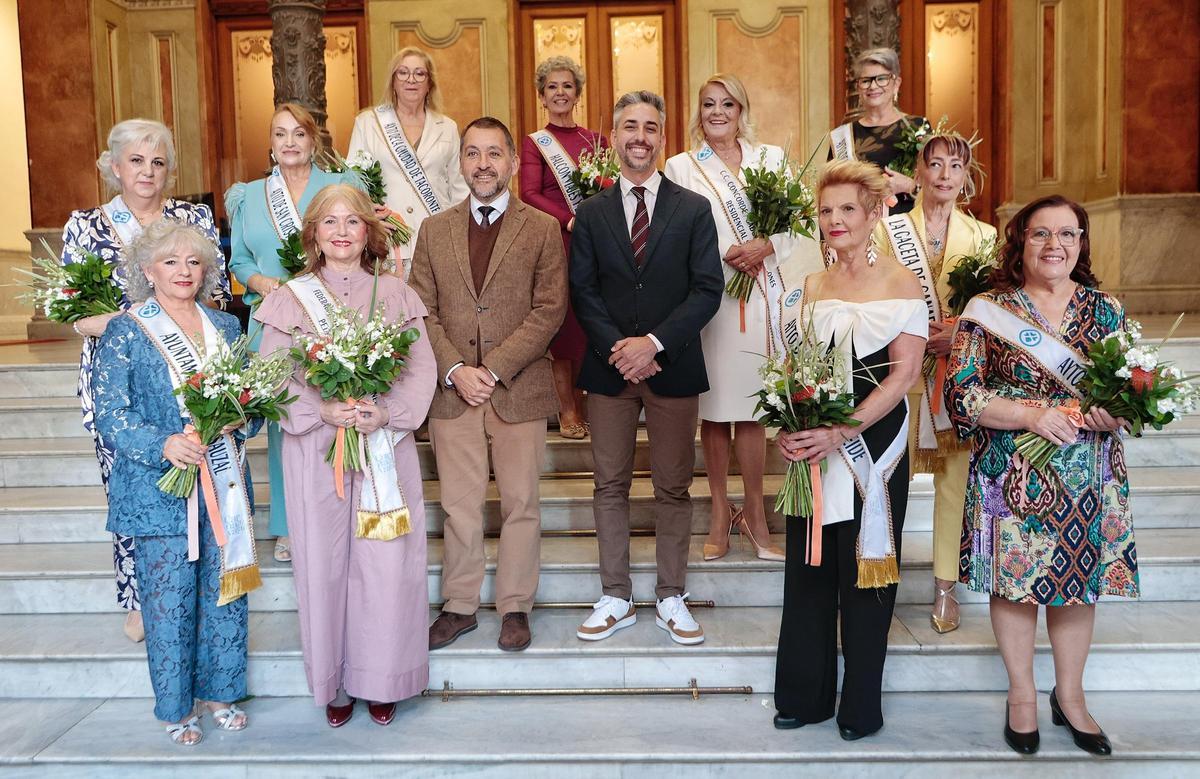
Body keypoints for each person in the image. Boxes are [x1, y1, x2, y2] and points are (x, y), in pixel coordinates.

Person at [945, 195, 1136, 756]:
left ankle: (1071, 697)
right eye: (1040, 234)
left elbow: (1133, 393)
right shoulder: (988, 309)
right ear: (1019, 243)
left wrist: (1116, 411)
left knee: (1078, 587)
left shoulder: (1107, 311)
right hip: (1013, 473)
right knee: (1017, 583)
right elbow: (961, 394)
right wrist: (1031, 415)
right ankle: (1022, 695)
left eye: (1068, 234)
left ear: (1082, 243)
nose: (1055, 245)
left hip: (1089, 475)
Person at [255, 184, 437, 727]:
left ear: (368, 232)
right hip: (316, 452)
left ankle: (380, 677)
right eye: (329, 222)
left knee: (386, 565)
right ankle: (333, 680)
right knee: (324, 566)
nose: (340, 231)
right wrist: (320, 412)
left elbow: (419, 370)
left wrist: (387, 414)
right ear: (313, 233)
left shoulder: (397, 294)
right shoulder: (290, 298)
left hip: (383, 447)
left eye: (352, 222)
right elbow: (273, 377)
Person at [773, 160, 926, 740]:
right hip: (812, 443)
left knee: (865, 575)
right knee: (809, 568)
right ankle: (805, 695)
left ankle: (859, 705)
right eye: (826, 211)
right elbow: (793, 367)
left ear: (872, 213)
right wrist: (787, 424)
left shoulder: (902, 282)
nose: (835, 221)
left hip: (873, 443)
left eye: (847, 210)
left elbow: (904, 374)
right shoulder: (811, 285)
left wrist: (844, 432)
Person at [62, 118, 229, 642]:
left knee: (202, 490)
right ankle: (138, 599)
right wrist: (139, 326)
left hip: (193, 376)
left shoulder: (194, 217)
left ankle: (198, 587)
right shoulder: (86, 227)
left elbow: (216, 296)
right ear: (114, 167)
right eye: (135, 161)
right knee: (131, 492)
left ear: (170, 169)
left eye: (157, 162)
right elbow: (74, 314)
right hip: (121, 383)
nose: (147, 172)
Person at [92, 220, 256, 745]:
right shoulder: (127, 329)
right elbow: (110, 413)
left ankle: (221, 691)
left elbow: (253, 406)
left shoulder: (226, 328)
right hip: (157, 491)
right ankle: (176, 707)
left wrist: (239, 419)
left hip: (224, 484)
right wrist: (163, 444)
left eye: (193, 262)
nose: (183, 271)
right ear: (147, 271)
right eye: (170, 262)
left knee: (225, 592)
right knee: (169, 602)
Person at [571, 91, 723, 646]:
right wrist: (621, 348)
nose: (640, 136)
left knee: (674, 487)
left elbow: (708, 289)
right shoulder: (591, 213)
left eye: (650, 127)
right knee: (608, 484)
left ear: (663, 138)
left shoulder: (693, 208)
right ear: (613, 136)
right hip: (609, 370)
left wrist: (653, 344)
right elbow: (582, 291)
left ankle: (670, 595)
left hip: (674, 367)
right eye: (630, 126)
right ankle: (616, 594)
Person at [411, 117, 566, 653]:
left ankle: (515, 606)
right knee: (459, 505)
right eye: (473, 154)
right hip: (453, 392)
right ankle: (459, 605)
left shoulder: (542, 229)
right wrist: (455, 369)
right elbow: (421, 311)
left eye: (494, 153)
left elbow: (550, 310)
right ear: (461, 163)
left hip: (516, 389)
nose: (483, 164)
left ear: (510, 162)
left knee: (521, 502)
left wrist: (494, 368)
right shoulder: (434, 230)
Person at [664, 73, 824, 563]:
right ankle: (718, 510)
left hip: (761, 300)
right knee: (714, 412)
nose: (717, 112)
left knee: (754, 409)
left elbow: (802, 223)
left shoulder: (771, 160)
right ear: (699, 112)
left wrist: (767, 245)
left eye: (727, 104)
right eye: (708, 104)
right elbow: (673, 231)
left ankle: (754, 513)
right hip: (708, 300)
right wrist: (719, 257)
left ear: (741, 110)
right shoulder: (680, 166)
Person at [225, 103, 362, 564]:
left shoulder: (340, 187)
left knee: (338, 413)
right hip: (276, 322)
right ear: (270, 142)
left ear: (313, 140)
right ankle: (288, 524)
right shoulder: (249, 195)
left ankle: (344, 510)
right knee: (287, 422)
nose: (289, 142)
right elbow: (239, 261)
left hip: (336, 320)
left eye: (298, 134)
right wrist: (262, 282)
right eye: (280, 133)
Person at [872, 131, 997, 633]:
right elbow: (874, 290)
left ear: (966, 178)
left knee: (954, 485)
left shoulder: (984, 236)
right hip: (898, 373)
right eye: (936, 164)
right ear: (918, 173)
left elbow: (993, 308)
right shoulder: (889, 230)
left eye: (956, 166)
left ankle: (946, 587)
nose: (945, 174)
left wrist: (960, 336)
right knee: (887, 478)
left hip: (955, 376)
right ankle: (879, 577)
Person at [519, 55, 608, 440]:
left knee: (592, 323)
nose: (560, 92)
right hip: (558, 241)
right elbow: (528, 193)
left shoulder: (597, 141)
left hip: (595, 245)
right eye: (552, 87)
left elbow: (610, 188)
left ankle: (588, 402)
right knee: (565, 326)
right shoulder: (534, 143)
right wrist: (569, 219)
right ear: (542, 96)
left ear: (577, 94)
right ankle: (567, 409)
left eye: (567, 86)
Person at [349, 45, 470, 279]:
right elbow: (353, 184)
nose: (410, 80)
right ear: (393, 81)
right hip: (388, 240)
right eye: (402, 72)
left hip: (438, 241)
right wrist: (369, 219)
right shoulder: (368, 123)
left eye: (419, 73)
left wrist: (459, 235)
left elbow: (460, 187)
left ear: (429, 82)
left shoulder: (447, 127)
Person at [828, 48, 929, 215]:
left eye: (881, 79)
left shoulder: (918, 128)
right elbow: (832, 192)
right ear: (858, 87)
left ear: (896, 83)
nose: (873, 86)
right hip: (861, 232)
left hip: (907, 230)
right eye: (866, 80)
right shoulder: (844, 135)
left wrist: (908, 185)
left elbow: (938, 185)